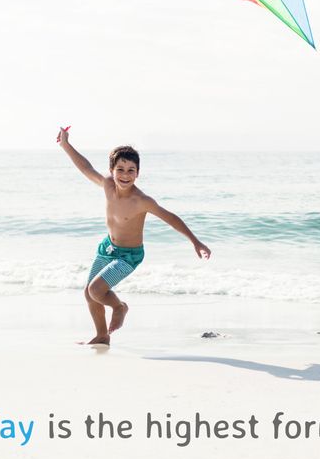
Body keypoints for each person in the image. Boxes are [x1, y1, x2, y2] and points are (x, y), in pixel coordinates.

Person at [57, 127, 211, 345]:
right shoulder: (108, 185)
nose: (125, 175)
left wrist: (195, 241)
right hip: (107, 248)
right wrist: (65, 145)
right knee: (89, 293)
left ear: (138, 173)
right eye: (120, 169)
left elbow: (170, 217)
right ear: (111, 170)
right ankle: (102, 336)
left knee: (96, 290)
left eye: (131, 170)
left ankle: (120, 307)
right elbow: (86, 168)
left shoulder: (142, 201)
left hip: (129, 256)